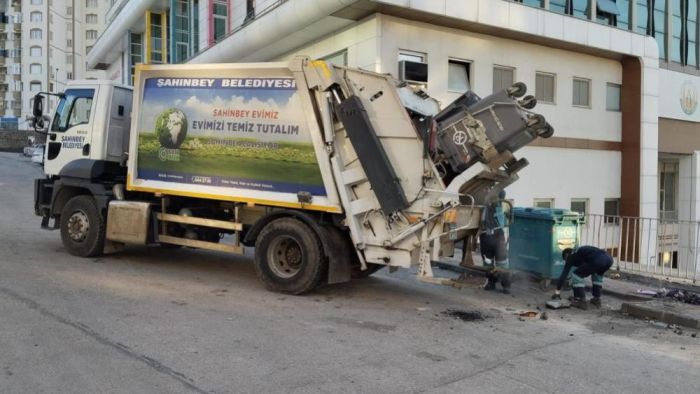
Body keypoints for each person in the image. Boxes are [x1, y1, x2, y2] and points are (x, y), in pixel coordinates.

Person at [480, 190, 512, 293]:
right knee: (490, 261)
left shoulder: (499, 204)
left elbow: (501, 192)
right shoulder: (485, 205)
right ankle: (493, 282)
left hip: (496, 234)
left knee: (500, 262)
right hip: (489, 235)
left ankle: (504, 284)